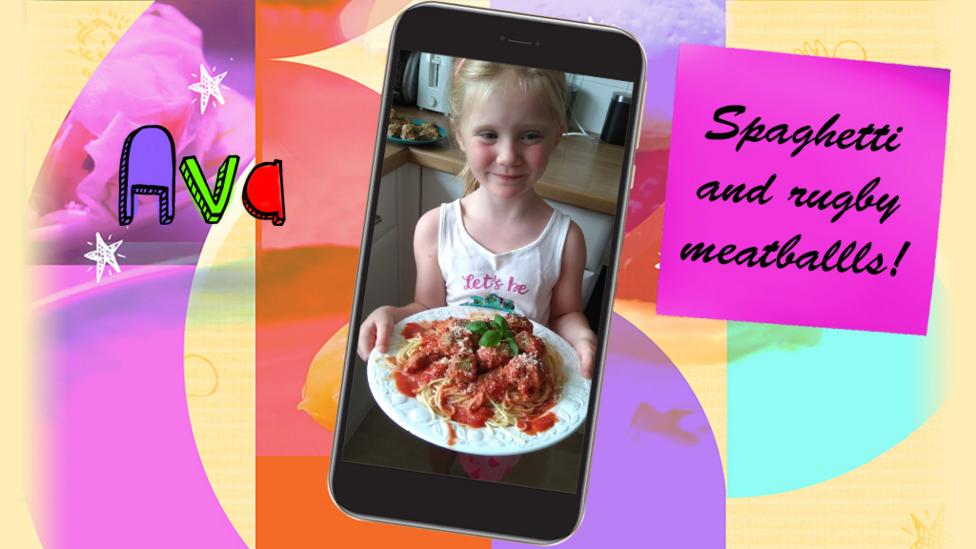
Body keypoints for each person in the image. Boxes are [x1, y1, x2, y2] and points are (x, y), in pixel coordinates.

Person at [357, 58, 596, 379]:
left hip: (524, 385)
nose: (508, 155)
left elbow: (565, 314)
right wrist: (390, 314)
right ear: (459, 135)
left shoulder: (566, 238)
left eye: (530, 136)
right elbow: (427, 310)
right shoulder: (435, 227)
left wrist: (581, 337)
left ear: (556, 136)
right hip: (451, 380)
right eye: (488, 134)